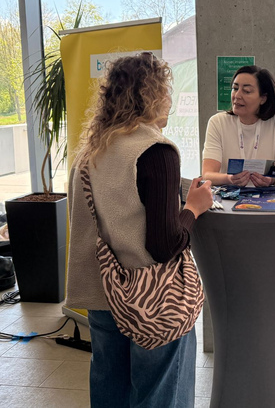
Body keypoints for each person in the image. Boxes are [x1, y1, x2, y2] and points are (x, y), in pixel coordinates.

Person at [66, 53, 214, 408]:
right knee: (159, 393)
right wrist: (194, 208)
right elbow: (164, 245)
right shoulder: (156, 151)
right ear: (154, 95)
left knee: (110, 389)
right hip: (154, 298)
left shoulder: (89, 153)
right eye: (166, 91)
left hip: (104, 294)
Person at [202, 66, 275, 187]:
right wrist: (229, 178)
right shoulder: (218, 122)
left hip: (267, 195)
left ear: (263, 98)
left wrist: (271, 180)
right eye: (235, 88)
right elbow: (207, 174)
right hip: (229, 195)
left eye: (246, 91)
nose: (237, 95)